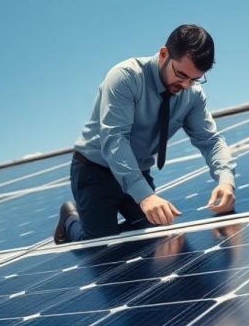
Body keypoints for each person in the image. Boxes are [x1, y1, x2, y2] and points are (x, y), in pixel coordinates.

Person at [53, 24, 236, 243]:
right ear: (163, 54)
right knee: (100, 244)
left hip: (137, 169)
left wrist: (225, 179)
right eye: (181, 74)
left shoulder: (192, 95)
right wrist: (146, 196)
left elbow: (210, 140)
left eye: (195, 79)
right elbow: (114, 140)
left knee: (158, 236)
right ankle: (70, 221)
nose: (186, 85)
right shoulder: (126, 77)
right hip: (95, 170)